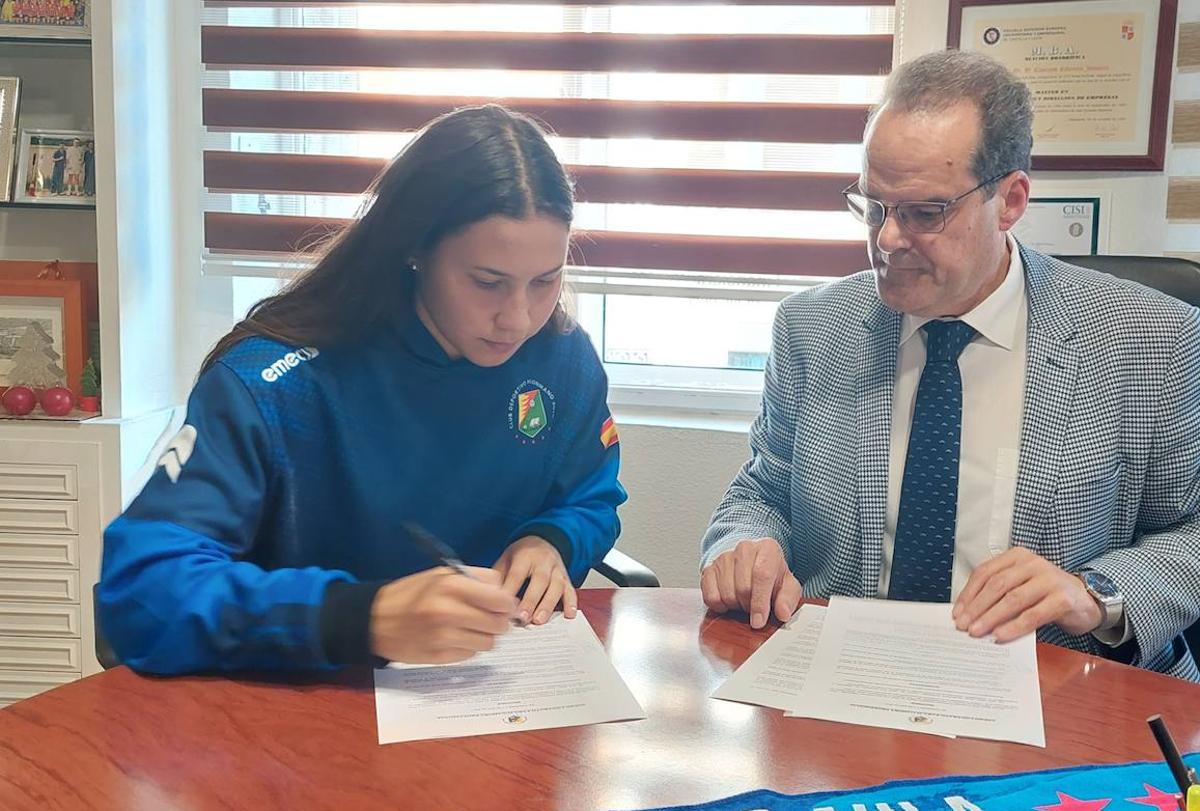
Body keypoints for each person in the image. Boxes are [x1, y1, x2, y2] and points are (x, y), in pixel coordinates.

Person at [700, 50, 1200, 681]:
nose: (886, 238)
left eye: (924, 212)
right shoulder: (813, 328)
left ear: (1011, 200)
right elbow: (762, 492)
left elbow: (1191, 531)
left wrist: (1093, 591)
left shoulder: (1148, 338)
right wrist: (748, 545)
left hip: (1061, 684)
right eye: (873, 205)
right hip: (847, 679)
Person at [99, 105, 627, 674]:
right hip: (294, 713)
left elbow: (590, 495)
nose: (519, 319)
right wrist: (359, 618)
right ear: (414, 250)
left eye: (546, 280)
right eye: (488, 283)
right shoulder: (272, 383)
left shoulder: (561, 357)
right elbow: (142, 588)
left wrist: (553, 539)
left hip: (490, 701)